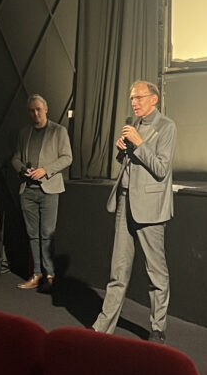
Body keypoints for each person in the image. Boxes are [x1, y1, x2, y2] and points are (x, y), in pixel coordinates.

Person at [92, 80, 176, 342]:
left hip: (150, 208)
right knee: (118, 271)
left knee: (155, 272)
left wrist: (138, 144)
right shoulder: (134, 125)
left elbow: (161, 169)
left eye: (139, 97)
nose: (134, 103)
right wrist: (122, 152)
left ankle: (158, 328)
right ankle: (102, 327)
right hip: (125, 201)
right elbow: (131, 164)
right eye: (131, 98)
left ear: (154, 98)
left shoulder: (167, 126)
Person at [11, 94, 72, 292]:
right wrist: (23, 170)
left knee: (47, 234)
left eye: (38, 109)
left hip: (49, 189)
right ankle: (37, 274)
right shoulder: (24, 133)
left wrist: (45, 170)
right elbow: (15, 158)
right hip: (28, 191)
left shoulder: (58, 131)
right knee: (32, 235)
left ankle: (50, 275)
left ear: (46, 109)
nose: (35, 113)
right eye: (32, 110)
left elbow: (67, 157)